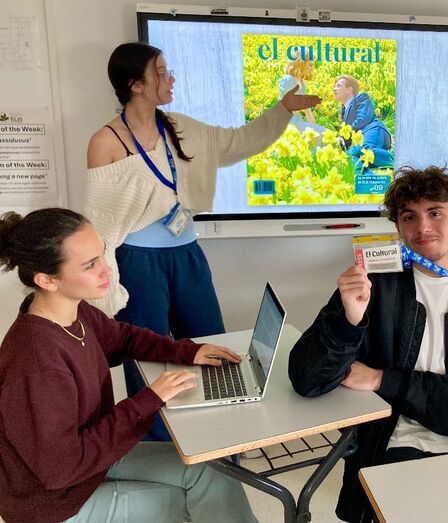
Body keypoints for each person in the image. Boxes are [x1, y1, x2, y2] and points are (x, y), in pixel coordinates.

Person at [85, 42, 319, 441]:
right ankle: (158, 447)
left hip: (188, 255)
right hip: (138, 262)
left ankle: (222, 437)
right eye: (161, 72)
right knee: (145, 358)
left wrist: (283, 109)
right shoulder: (105, 142)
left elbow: (238, 141)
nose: (171, 78)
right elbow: (99, 224)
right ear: (135, 85)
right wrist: (101, 285)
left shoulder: (178, 127)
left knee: (212, 344)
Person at [288, 166, 448, 523]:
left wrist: (382, 380)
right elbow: (307, 379)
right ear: (398, 227)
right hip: (396, 441)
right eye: (409, 217)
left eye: (435, 213)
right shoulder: (375, 286)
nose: (422, 228)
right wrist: (349, 321)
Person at [0, 208, 257, 523]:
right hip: (56, 503)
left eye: (102, 255)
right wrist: (149, 400)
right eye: (90, 265)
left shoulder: (72, 312)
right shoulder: (37, 361)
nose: (107, 270)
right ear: (46, 279)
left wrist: (187, 351)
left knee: (213, 472)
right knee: (193, 504)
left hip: (89, 466)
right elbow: (60, 468)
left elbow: (123, 338)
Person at [333, 74, 394, 171]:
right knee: (348, 157)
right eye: (334, 86)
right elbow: (348, 137)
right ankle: (366, 177)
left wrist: (342, 136)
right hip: (360, 138)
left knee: (366, 150)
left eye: (338, 86)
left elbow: (363, 119)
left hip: (373, 129)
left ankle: (400, 160)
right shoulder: (343, 110)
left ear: (349, 89)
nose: (334, 89)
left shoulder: (361, 97)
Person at [278, 51, 316, 126]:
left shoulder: (302, 82)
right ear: (301, 63)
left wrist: (314, 126)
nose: (312, 69)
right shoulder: (288, 80)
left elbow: (306, 108)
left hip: (295, 120)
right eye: (310, 65)